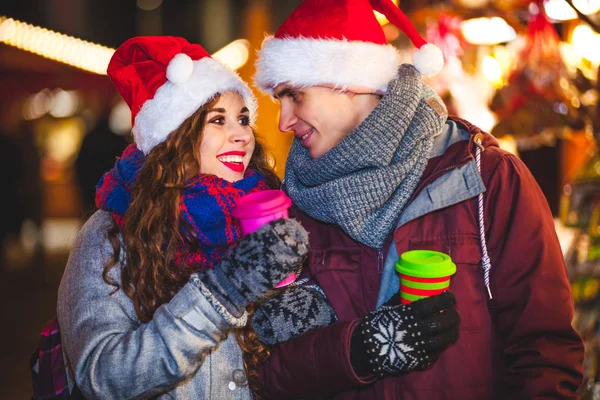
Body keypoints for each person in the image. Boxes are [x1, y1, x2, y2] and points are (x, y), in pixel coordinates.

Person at [249, 0, 585, 398]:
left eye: (295, 95)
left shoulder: (483, 179)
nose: (283, 121)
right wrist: (355, 352)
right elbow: (262, 367)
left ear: (351, 81)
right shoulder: (293, 205)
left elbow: (544, 352)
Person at [56, 36, 316, 399]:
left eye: (243, 119)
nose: (241, 134)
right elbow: (101, 376)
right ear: (176, 135)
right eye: (217, 120)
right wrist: (221, 292)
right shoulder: (110, 234)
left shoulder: (260, 210)